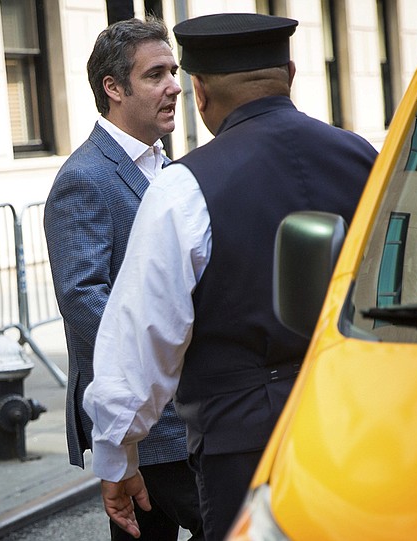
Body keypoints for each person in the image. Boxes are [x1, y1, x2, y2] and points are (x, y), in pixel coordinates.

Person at [85, 12, 379, 541]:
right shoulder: (364, 158)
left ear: (200, 93)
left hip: (245, 442)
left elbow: (143, 333)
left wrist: (118, 455)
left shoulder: (185, 187)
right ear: (290, 73)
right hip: (359, 418)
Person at [43, 16, 203, 541]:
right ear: (114, 89)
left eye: (173, 71)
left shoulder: (168, 164)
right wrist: (165, 352)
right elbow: (82, 296)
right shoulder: (84, 177)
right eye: (155, 74)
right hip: (139, 407)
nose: (174, 86)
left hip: (178, 406)